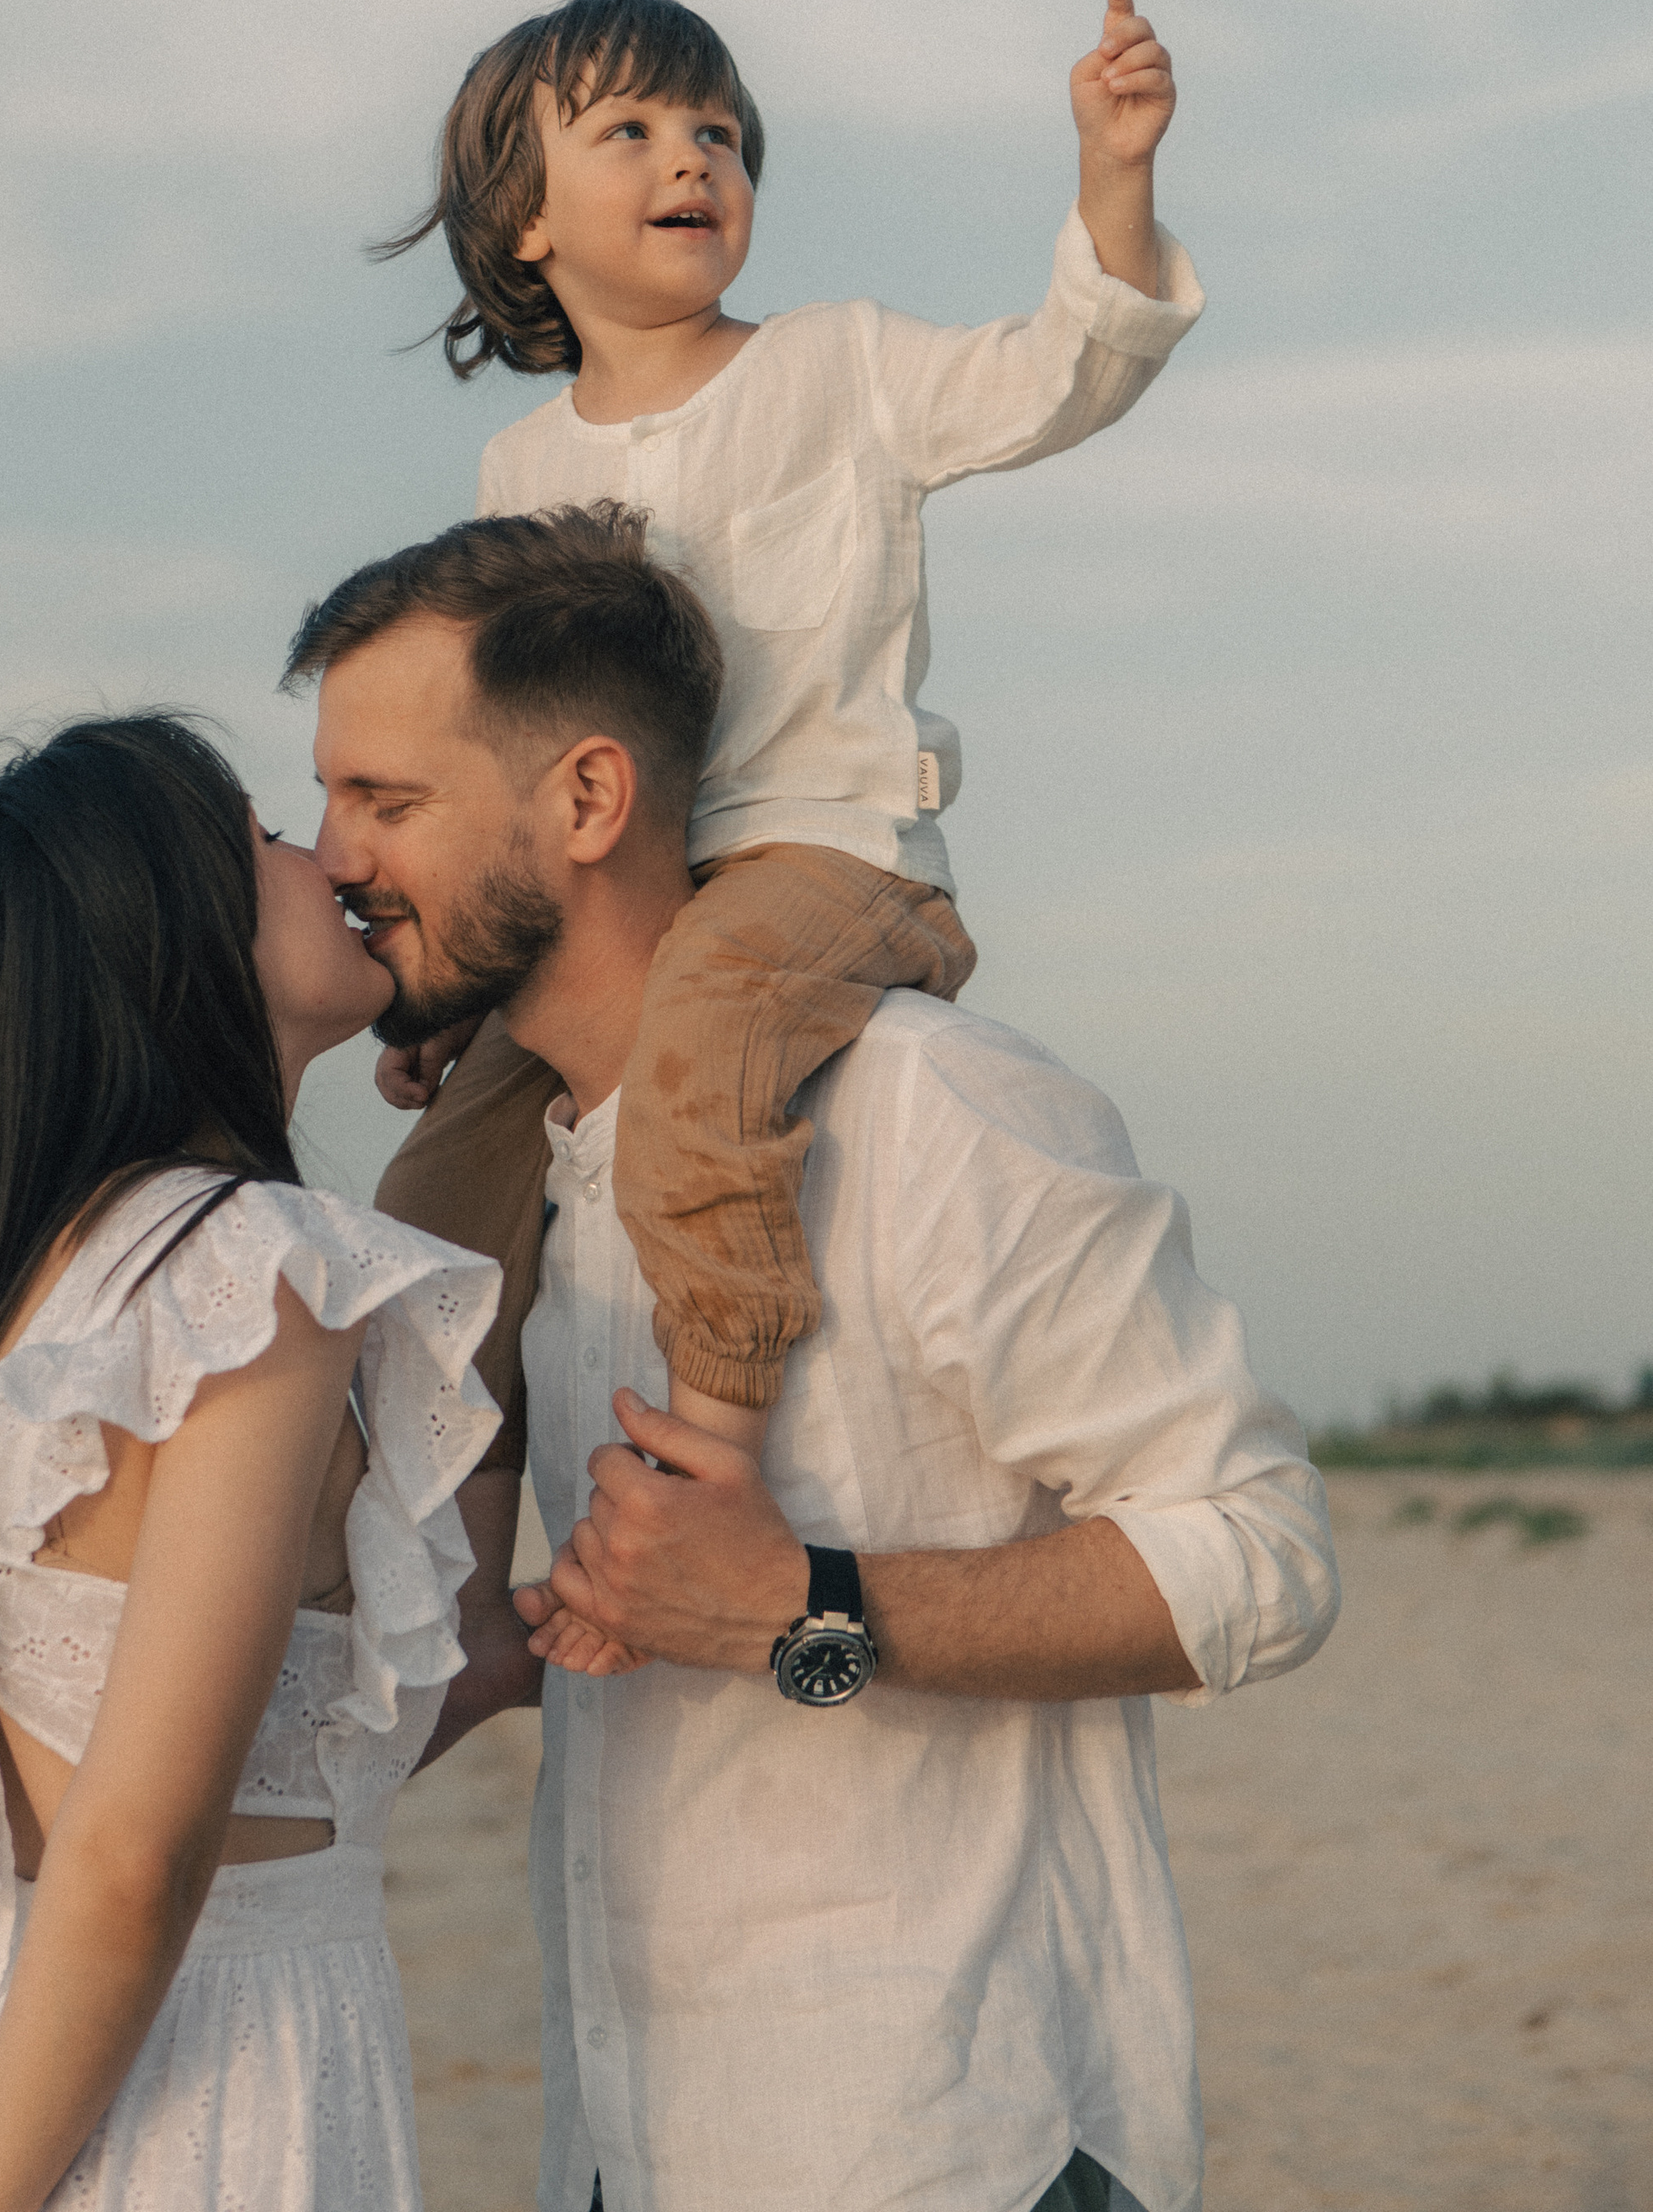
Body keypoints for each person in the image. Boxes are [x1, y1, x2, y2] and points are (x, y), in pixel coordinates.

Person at [290, 509, 1341, 2212]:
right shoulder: (519, 1200)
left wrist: (803, 1608)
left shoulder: (929, 1111)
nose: (336, 856)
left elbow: (1264, 1558)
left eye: (383, 803)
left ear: (584, 801)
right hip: (630, 2154)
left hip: (950, 2154)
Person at [369, 0, 1202, 1513]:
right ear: (523, 217)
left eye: (721, 132)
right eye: (630, 129)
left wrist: (1115, 176)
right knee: (436, 1193)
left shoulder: (842, 363)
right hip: (618, 897)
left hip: (824, 856)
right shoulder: (521, 467)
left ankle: (713, 1462)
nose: (693, 159)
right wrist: (463, 974)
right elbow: (511, 758)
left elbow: (1062, 377)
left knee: (706, 1044)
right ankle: (456, 1576)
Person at [0, 713, 500, 2212]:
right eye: (269, 841)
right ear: (167, 938)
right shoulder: (254, 1277)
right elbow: (131, 1854)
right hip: (209, 2106)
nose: (333, 861)